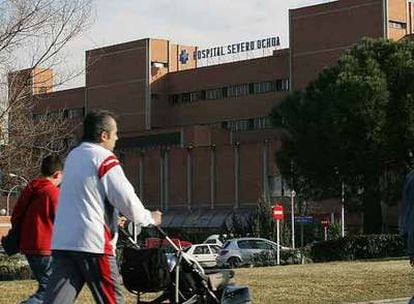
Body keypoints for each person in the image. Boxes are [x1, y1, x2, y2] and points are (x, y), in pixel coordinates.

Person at [44, 110, 162, 304]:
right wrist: (150, 218)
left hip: (64, 242)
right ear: (103, 135)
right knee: (112, 300)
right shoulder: (104, 159)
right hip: (94, 243)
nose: (117, 138)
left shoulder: (72, 157)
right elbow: (126, 198)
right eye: (115, 133)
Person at [11, 155, 63, 304]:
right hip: (45, 247)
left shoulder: (30, 189)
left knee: (47, 288)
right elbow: (62, 219)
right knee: (48, 291)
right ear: (57, 174)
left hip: (28, 246)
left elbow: (15, 216)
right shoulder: (53, 193)